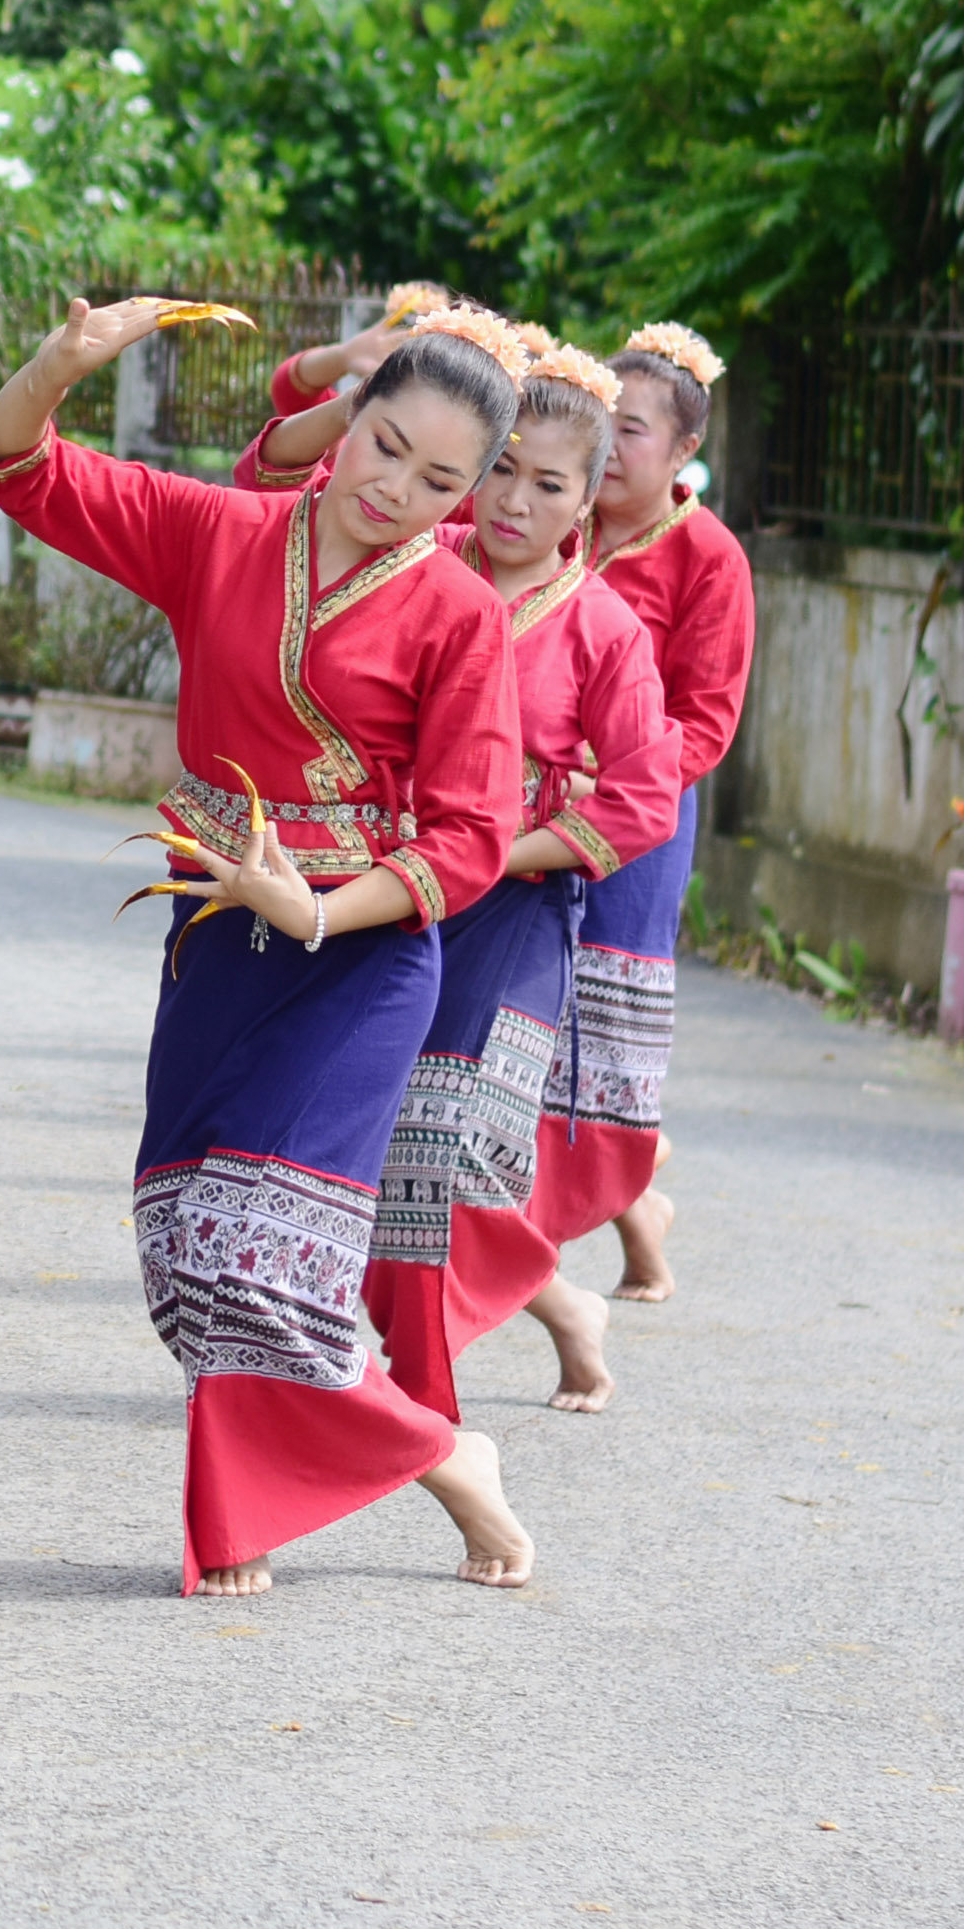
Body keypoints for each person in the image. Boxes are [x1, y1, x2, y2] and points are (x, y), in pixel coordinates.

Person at [0, 293, 534, 1596]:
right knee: (182, 1244)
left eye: (440, 478)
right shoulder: (218, 532)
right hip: (219, 928)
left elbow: (469, 835)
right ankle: (440, 1457)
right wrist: (65, 362)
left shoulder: (458, 614)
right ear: (346, 420)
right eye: (386, 445)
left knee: (257, 1245)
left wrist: (325, 908)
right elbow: (22, 469)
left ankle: (316, 1498)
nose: (398, 487)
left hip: (361, 953)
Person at [253, 339, 684, 1418]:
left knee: (442, 1161)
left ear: (586, 502)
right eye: (501, 470)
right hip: (382, 895)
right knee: (353, 1148)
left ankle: (424, 1407)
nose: (515, 502)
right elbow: (286, 484)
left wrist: (496, 846)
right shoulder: (402, 561)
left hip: (509, 916)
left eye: (549, 484)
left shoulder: (603, 629)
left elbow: (639, 798)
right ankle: (527, 1320)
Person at [544, 323, 757, 1306]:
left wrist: (609, 777)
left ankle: (616, 1212)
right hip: (524, 813)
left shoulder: (709, 560)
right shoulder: (544, 523)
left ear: (681, 453)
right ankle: (619, 1223)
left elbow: (704, 727)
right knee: (528, 1026)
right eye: (601, 423)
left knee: (605, 1046)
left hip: (633, 831)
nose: (609, 446)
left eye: (631, 430)